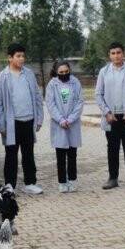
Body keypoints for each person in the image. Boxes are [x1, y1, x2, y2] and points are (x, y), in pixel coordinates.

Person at [0, 43, 44, 194]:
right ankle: (9, 185)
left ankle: (30, 183)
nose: (21, 59)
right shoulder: (2, 77)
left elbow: (37, 96)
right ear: (10, 58)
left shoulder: (28, 74)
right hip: (11, 122)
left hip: (28, 120)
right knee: (11, 155)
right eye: (18, 56)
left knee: (28, 153)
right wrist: (1, 126)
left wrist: (39, 118)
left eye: (23, 56)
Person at [94, 42, 125, 190]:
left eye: (119, 52)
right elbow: (98, 94)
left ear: (124, 54)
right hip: (111, 117)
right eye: (113, 53)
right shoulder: (104, 72)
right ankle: (113, 178)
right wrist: (106, 113)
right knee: (112, 148)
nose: (116, 56)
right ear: (109, 55)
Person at [45, 60, 84, 193]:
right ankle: (62, 181)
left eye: (66, 72)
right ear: (56, 72)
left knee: (72, 154)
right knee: (60, 155)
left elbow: (80, 102)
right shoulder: (52, 85)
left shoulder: (75, 82)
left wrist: (71, 119)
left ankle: (73, 180)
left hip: (73, 124)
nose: (64, 74)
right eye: (61, 72)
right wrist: (61, 120)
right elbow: (50, 104)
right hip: (59, 125)